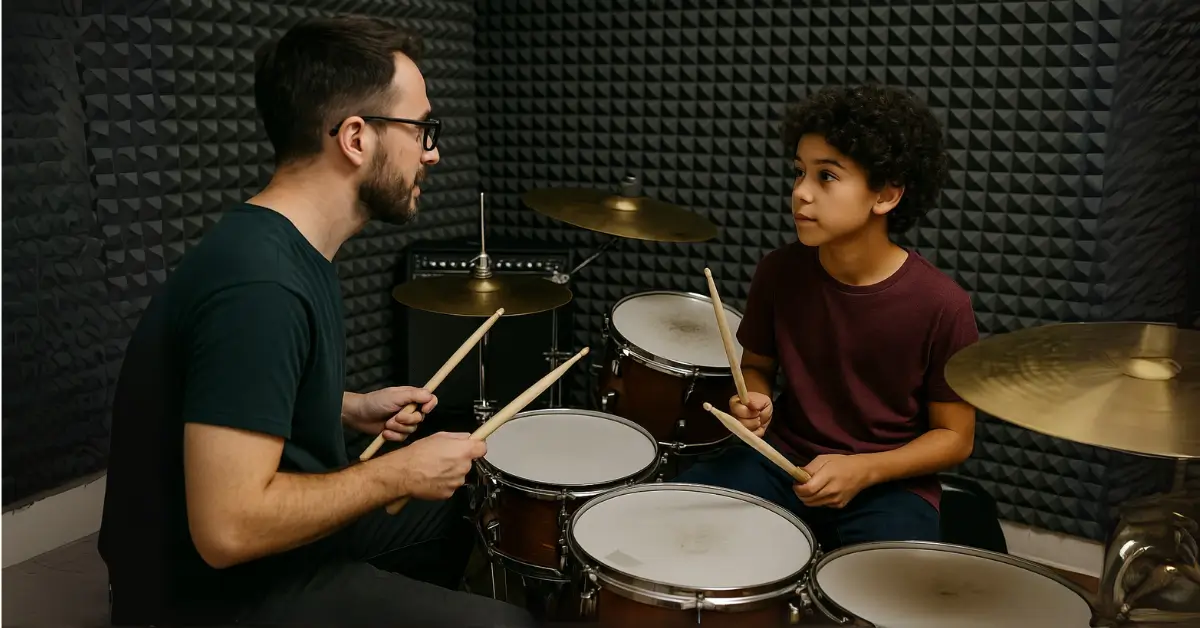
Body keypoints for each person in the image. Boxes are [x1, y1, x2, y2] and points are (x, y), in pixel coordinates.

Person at [98, 16, 534, 628]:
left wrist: (348, 407)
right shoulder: (259, 286)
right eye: (422, 129)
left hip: (250, 557)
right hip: (208, 594)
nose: (433, 152)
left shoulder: (287, 246)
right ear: (356, 138)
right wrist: (394, 473)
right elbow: (227, 528)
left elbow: (230, 397)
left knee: (462, 505)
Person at [677, 84, 979, 552]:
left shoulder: (943, 304)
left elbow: (955, 439)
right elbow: (757, 366)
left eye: (827, 177)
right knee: (677, 524)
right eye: (799, 172)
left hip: (887, 484)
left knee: (888, 595)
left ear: (886, 194)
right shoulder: (779, 271)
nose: (800, 193)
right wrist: (755, 400)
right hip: (780, 459)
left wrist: (865, 469)